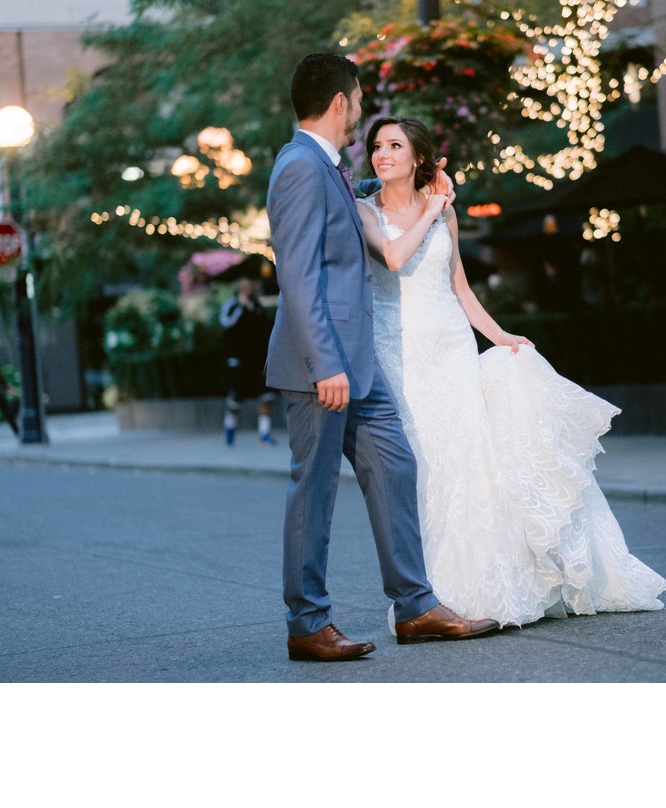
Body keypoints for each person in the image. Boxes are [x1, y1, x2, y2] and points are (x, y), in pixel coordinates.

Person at [356, 116, 666, 628]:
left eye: (394, 145)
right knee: (426, 467)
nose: (382, 153)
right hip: (400, 352)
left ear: (417, 158)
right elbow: (391, 257)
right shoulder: (364, 210)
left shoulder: (445, 216)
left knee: (470, 459)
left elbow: (459, 287)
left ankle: (493, 584)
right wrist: (433, 205)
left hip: (452, 347)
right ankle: (430, 595)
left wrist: (499, 336)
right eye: (376, 146)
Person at [264, 53, 499, 661]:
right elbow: (297, 274)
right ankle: (308, 624)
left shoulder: (327, 168)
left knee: (395, 467)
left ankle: (416, 606)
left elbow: (358, 199)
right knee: (313, 493)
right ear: (342, 101)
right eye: (361, 99)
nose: (363, 109)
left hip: (357, 367)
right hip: (324, 369)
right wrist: (325, 365)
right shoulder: (298, 167)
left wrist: (423, 187)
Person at [219, 277, 276, 446]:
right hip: (238, 359)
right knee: (235, 400)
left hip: (257, 359)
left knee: (265, 397)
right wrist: (240, 307)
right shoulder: (231, 305)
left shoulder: (257, 305)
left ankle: (264, 432)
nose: (247, 288)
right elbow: (225, 324)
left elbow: (265, 327)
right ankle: (229, 426)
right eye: (244, 285)